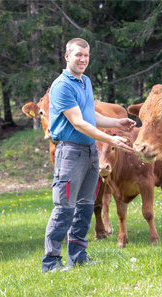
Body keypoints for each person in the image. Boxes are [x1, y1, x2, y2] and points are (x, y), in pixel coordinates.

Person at [41, 38, 136, 273]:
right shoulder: (61, 86)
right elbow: (78, 122)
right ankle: (51, 262)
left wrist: (117, 123)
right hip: (70, 152)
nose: (82, 59)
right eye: (77, 55)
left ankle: (78, 256)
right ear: (67, 57)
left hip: (90, 152)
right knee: (64, 207)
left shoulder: (85, 82)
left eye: (86, 55)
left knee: (85, 206)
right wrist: (111, 139)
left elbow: (90, 115)